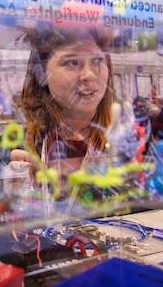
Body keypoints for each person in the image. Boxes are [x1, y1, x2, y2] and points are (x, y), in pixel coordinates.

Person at [7, 25, 116, 201]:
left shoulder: (131, 143)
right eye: (72, 62)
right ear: (41, 73)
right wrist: (10, 199)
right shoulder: (15, 146)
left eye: (97, 60)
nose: (89, 75)